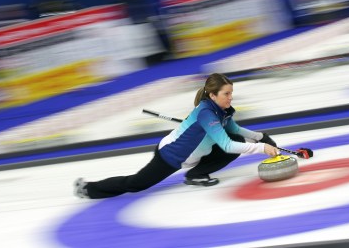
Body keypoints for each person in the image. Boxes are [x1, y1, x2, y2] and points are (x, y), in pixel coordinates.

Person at [74, 73, 279, 199]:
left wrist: (260, 136)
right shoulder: (206, 113)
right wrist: (262, 148)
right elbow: (225, 145)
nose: (230, 97)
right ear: (213, 96)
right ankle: (89, 189)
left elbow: (234, 129)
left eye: (231, 93)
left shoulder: (222, 111)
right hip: (171, 156)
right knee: (136, 184)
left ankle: (196, 174)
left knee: (239, 141)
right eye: (226, 94)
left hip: (197, 153)